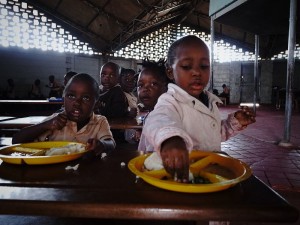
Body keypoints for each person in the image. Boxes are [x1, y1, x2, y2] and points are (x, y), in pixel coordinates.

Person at [139, 35, 256, 183]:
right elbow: (158, 120)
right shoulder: (170, 101)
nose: (197, 72)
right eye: (187, 66)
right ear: (170, 72)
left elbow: (213, 134)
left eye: (204, 66)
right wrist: (171, 140)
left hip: (204, 172)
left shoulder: (209, 101)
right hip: (176, 175)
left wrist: (233, 122)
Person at [13, 73, 115, 157]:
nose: (77, 103)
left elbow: (110, 142)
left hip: (86, 172)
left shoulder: (100, 121)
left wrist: (102, 145)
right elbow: (16, 141)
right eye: (71, 96)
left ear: (96, 104)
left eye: (85, 98)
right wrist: (45, 125)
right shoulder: (54, 121)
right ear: (63, 98)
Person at [128, 58, 171, 143]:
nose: (145, 89)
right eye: (140, 85)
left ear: (166, 87)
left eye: (153, 84)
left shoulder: (166, 115)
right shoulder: (151, 114)